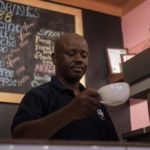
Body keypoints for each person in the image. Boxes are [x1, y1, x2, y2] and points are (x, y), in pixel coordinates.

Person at [11, 33, 118, 141]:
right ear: (55, 58)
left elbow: (114, 143)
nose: (79, 59)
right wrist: (70, 112)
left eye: (84, 55)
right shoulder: (38, 95)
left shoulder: (94, 100)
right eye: (71, 53)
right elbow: (19, 137)